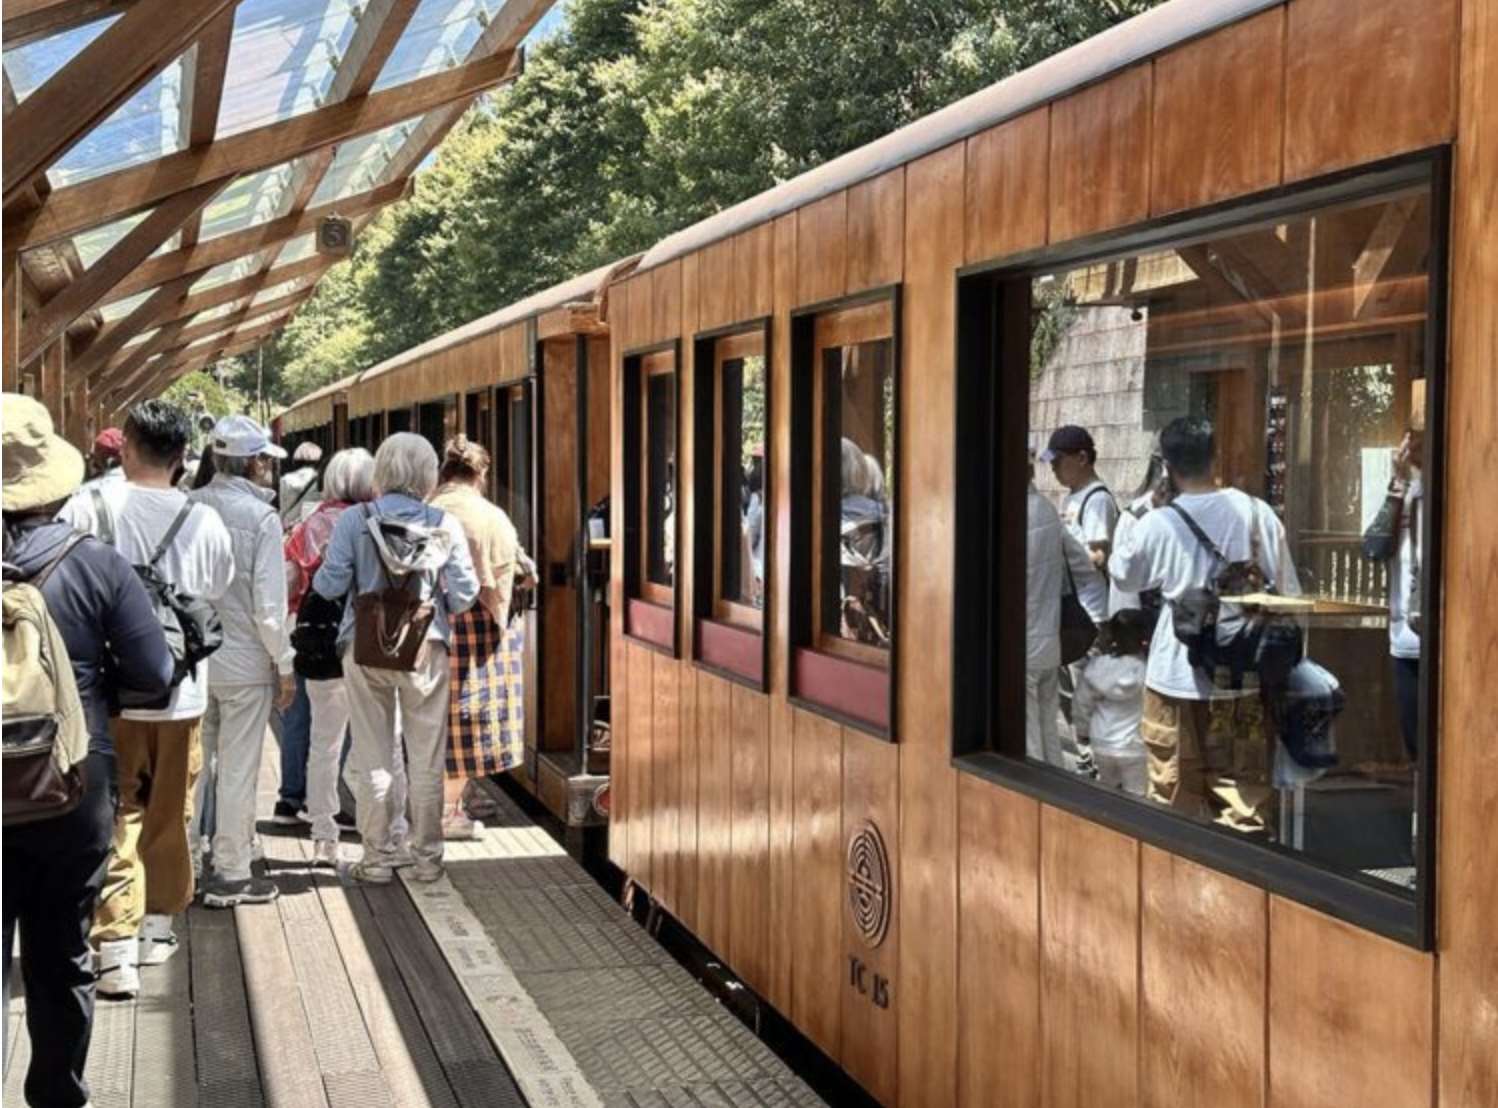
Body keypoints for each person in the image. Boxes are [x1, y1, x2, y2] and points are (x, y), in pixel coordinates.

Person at [2, 393, 173, 1108]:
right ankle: (57, 1096)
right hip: (69, 781)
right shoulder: (96, 564)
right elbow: (156, 677)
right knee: (62, 951)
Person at [57, 399, 235, 998]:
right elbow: (215, 587)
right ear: (183, 457)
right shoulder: (203, 519)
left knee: (114, 814)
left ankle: (112, 949)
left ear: (126, 446)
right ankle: (156, 928)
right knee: (169, 810)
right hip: (180, 693)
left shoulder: (89, 505)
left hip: (106, 693)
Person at [1109, 416, 1300, 819]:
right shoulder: (1256, 514)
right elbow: (1290, 593)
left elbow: (1123, 573)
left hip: (1172, 675)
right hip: (1241, 678)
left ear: (1168, 466)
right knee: (1241, 802)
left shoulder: (1157, 523)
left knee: (1170, 796)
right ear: (1216, 457)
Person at [312, 433, 479, 884]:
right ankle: (427, 860)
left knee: (374, 756)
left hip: (364, 650)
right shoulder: (444, 523)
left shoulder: (354, 521)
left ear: (382, 472)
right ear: (428, 474)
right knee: (426, 759)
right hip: (426, 649)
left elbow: (327, 587)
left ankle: (378, 858)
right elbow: (464, 597)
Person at [189, 415, 295, 907]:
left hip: (190, 662)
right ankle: (232, 871)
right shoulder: (261, 519)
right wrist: (284, 664)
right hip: (245, 664)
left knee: (194, 766)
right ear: (254, 462)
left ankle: (185, 862)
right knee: (237, 767)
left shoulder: (187, 506)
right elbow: (270, 608)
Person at [430, 436, 531, 839]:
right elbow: (506, 574)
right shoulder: (490, 516)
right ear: (481, 474)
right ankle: (448, 812)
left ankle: (446, 803)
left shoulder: (429, 507)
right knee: (466, 718)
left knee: (431, 720)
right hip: (473, 628)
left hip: (425, 627)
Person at [285, 447, 376, 866]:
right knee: (377, 744)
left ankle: (324, 832)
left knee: (324, 742)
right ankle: (378, 834)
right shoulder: (376, 523)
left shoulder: (309, 526)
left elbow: (290, 586)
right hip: (370, 643)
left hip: (320, 646)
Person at [1042, 424, 1114, 776]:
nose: (1053, 469)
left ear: (1082, 458)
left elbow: (1100, 554)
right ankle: (1086, 757)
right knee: (1069, 694)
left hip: (1091, 611)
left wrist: (1063, 551)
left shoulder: (1096, 498)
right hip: (1071, 610)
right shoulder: (1073, 498)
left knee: (1087, 692)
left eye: (1058, 461)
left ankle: (1098, 761)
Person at [1026, 452, 1098, 768]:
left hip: (1020, 644)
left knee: (1027, 737)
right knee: (1048, 727)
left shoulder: (1003, 514)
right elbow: (1083, 565)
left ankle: (1030, 802)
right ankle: (1053, 789)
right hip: (1050, 644)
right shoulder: (1046, 510)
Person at [1362, 428, 1423, 759]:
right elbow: (1373, 547)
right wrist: (1397, 487)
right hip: (1405, 640)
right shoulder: (1401, 495)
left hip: (1445, 640)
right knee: (1415, 742)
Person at [1084, 610, 1152, 796]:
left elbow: (1084, 704)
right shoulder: (1148, 671)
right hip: (1133, 745)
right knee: (1137, 794)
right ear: (1144, 638)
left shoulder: (1098, 666)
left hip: (1101, 740)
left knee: (1106, 792)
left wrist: (1083, 731)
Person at [280, 441, 323, 528]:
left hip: (289, 528)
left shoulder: (285, 480)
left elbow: (281, 506)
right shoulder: (320, 481)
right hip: (311, 528)